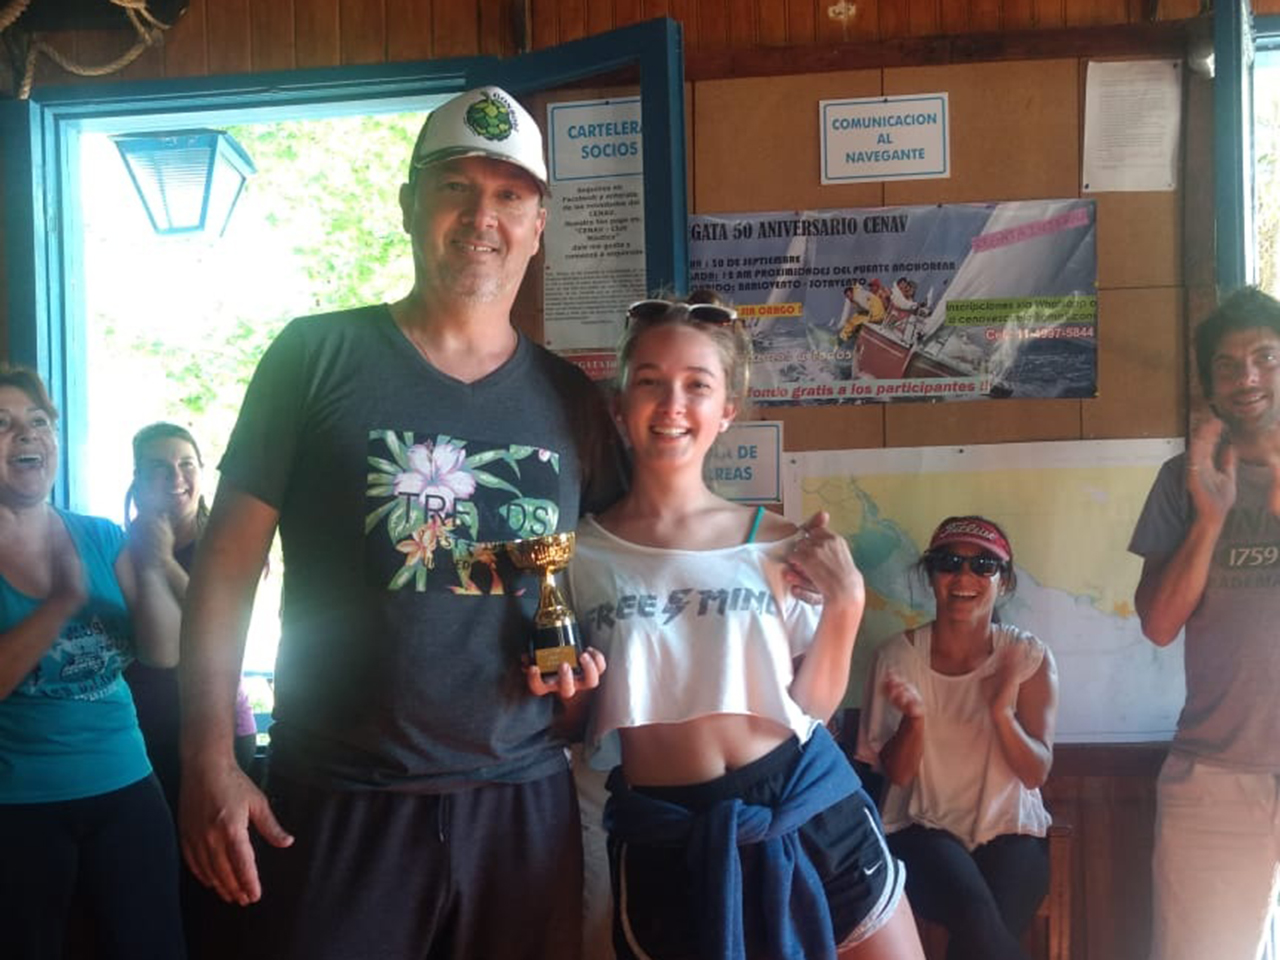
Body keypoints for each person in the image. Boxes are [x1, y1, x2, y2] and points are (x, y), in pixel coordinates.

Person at [178, 85, 624, 960]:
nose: (482, 217)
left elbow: (617, 567)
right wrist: (207, 761)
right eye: (456, 186)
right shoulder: (313, 357)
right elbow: (226, 569)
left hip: (521, 807)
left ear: (538, 225)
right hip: (340, 801)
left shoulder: (574, 400)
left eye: (509, 196)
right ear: (408, 204)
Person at [567, 293, 924, 960]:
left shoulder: (782, 542)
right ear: (619, 406)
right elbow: (574, 718)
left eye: (697, 385)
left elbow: (812, 706)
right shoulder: (579, 555)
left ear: (727, 409)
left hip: (808, 804)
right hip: (669, 833)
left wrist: (846, 603)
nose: (672, 404)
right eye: (650, 382)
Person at [0, 365, 185, 960]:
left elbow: (162, 652)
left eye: (38, 422)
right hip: (19, 804)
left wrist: (152, 566)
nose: (27, 435)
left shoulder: (101, 536)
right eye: (2, 424)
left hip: (127, 785)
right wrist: (59, 605)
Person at [1129, 286, 1280, 960]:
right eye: (1227, 364)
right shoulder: (1181, 480)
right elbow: (1160, 624)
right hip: (1217, 776)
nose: (1247, 376)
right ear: (1211, 385)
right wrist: (1210, 521)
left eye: (1265, 357)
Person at [857, 515, 1059, 960]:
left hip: (1012, 831)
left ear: (1004, 581)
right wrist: (914, 720)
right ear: (931, 576)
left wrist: (1000, 712)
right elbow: (898, 775)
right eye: (949, 563)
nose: (964, 576)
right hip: (921, 829)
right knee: (976, 914)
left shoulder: (1028, 657)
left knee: (982, 933)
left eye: (983, 565)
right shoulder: (896, 657)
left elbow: (1034, 773)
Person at [122, 421, 258, 960]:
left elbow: (226, 631)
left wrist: (161, 563)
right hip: (138, 737)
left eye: (186, 464)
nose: (174, 477)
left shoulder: (226, 544)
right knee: (158, 874)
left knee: (217, 873)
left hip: (219, 733)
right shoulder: (116, 545)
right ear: (136, 478)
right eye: (158, 467)